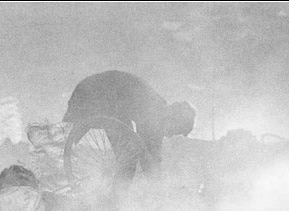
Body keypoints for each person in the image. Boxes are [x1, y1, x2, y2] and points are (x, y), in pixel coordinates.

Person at [63, 70, 196, 178]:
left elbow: (149, 155)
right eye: (174, 131)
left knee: (62, 140)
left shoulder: (157, 109)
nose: (169, 136)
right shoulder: (154, 112)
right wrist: (158, 191)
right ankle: (115, 202)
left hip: (93, 93)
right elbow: (150, 158)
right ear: (173, 118)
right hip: (94, 96)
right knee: (128, 159)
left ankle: (116, 199)